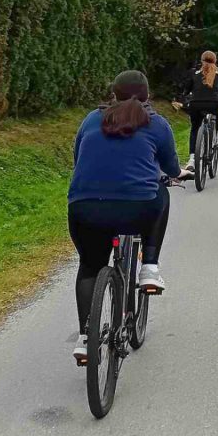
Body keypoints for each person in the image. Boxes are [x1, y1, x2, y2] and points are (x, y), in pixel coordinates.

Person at [67, 71, 183, 364]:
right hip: (137, 208)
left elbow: (77, 157)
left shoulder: (92, 120)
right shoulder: (156, 123)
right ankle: (150, 267)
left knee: (90, 267)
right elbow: (171, 168)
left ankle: (85, 337)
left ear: (113, 93)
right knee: (161, 194)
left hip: (85, 208)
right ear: (147, 94)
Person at [177, 51, 218, 169]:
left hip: (195, 104)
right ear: (215, 61)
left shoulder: (194, 72)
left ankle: (191, 160)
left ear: (201, 60)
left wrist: (184, 96)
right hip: (213, 104)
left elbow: (187, 88)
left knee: (194, 129)